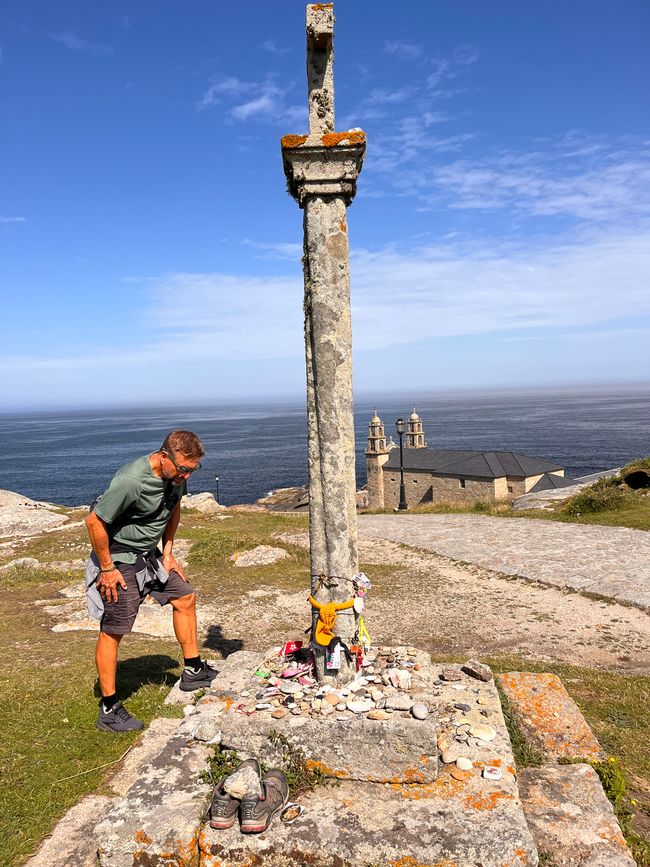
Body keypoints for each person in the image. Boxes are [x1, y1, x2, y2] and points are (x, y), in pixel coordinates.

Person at [85, 429, 217, 733]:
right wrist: (107, 567)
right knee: (114, 628)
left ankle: (193, 670)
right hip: (119, 557)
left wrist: (168, 553)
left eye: (193, 470)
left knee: (185, 598)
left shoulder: (176, 479)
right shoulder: (132, 481)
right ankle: (109, 708)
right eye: (183, 469)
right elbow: (94, 521)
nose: (186, 476)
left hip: (149, 553)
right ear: (163, 456)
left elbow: (173, 509)